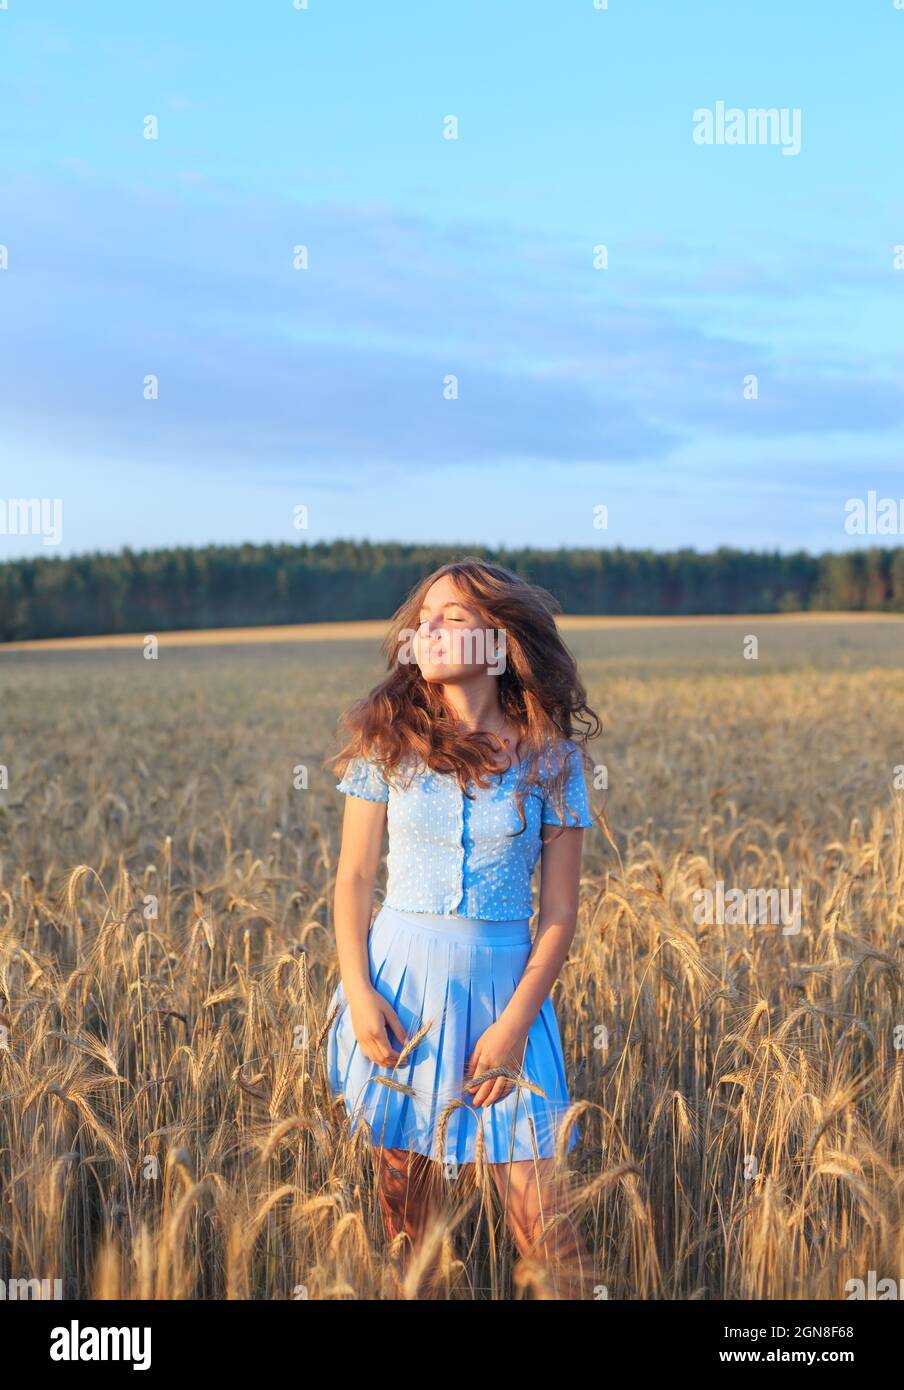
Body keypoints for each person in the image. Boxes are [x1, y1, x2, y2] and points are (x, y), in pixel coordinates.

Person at [325, 556, 601, 1297]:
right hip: (399, 995)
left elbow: (560, 915)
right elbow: (353, 880)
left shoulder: (551, 760)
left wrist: (514, 1027)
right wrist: (358, 996)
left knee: (550, 1238)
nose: (429, 629)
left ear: (498, 641)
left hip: (509, 999)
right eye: (424, 619)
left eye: (451, 617)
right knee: (410, 1237)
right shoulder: (385, 741)